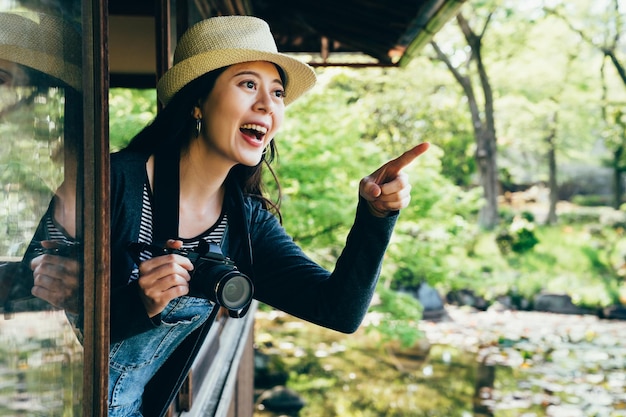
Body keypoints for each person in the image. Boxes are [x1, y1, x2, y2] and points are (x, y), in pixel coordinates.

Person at [104, 15, 429, 416]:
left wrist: (376, 216)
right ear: (197, 102)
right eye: (247, 84)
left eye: (277, 93)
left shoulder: (245, 223)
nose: (267, 104)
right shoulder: (112, 183)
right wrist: (137, 302)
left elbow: (339, 311)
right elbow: (36, 314)